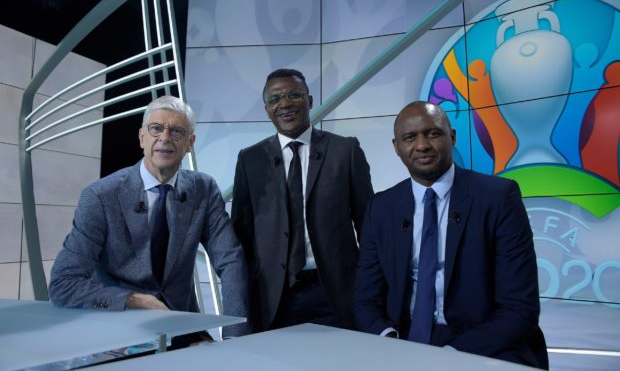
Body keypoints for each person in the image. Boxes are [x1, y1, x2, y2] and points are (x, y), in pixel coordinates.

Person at [353, 101, 548, 369]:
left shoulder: (498, 197)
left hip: (484, 342)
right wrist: (387, 338)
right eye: (410, 137)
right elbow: (365, 298)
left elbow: (519, 308)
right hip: (403, 339)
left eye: (433, 133)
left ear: (452, 137)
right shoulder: (382, 207)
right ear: (396, 147)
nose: (422, 145)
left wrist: (450, 355)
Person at [49, 95, 249, 340]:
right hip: (117, 327)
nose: (164, 138)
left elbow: (231, 261)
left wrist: (234, 335)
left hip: (180, 323)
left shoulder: (203, 189)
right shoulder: (101, 196)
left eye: (176, 131)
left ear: (190, 142)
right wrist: (135, 300)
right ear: (142, 137)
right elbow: (63, 285)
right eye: (156, 129)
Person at [231, 68, 373, 332]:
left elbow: (369, 225)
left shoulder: (346, 151)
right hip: (275, 296)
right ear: (266, 110)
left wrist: (368, 283)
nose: (284, 103)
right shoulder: (250, 159)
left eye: (293, 95)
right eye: (274, 99)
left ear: (309, 100)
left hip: (337, 291)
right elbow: (242, 232)